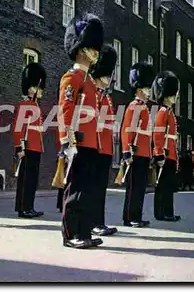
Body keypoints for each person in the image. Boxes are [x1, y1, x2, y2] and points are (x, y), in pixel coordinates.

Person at [59, 13, 103, 249]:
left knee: (86, 190)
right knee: (75, 190)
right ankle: (70, 233)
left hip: (90, 143)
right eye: (91, 47)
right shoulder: (72, 77)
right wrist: (67, 141)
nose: (96, 52)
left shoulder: (88, 82)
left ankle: (83, 231)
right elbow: (65, 110)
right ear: (80, 48)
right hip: (77, 143)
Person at [121, 62, 155, 228]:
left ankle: (137, 216)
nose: (149, 92)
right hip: (135, 152)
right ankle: (129, 217)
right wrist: (127, 151)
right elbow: (127, 130)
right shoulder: (134, 107)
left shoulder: (144, 107)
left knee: (140, 188)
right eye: (147, 88)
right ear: (140, 88)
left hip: (143, 152)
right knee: (133, 188)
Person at [89, 44, 118, 236]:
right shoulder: (93, 94)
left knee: (101, 190)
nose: (109, 79)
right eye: (106, 75)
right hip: (96, 146)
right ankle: (93, 222)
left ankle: (99, 221)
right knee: (94, 189)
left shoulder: (105, 97)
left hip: (105, 147)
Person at [13, 62, 46, 218]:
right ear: (31, 88)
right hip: (27, 147)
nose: (41, 91)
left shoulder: (35, 106)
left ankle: (29, 206)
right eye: (39, 88)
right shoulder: (24, 105)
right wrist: (19, 147)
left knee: (32, 180)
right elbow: (18, 128)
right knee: (25, 180)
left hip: (36, 147)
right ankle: (23, 207)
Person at [151, 70, 181, 222]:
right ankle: (162, 212)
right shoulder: (163, 112)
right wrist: (159, 153)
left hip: (170, 153)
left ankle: (166, 212)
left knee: (168, 186)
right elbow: (158, 135)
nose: (176, 96)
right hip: (165, 154)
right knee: (163, 186)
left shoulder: (168, 112)